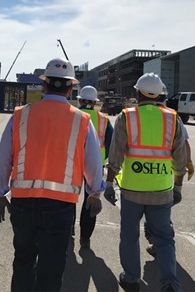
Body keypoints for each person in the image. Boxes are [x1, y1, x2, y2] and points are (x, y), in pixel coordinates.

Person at [0, 58, 106, 292]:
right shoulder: (82, 120)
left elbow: (3, 157)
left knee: (24, 262)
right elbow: (93, 163)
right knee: (52, 268)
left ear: (44, 85)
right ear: (70, 89)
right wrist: (94, 192)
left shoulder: (20, 115)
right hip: (60, 206)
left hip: (23, 204)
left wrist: (0, 192)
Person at [104, 72, 187, 292]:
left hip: (132, 190)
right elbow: (180, 159)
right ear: (160, 94)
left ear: (138, 93)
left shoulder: (126, 116)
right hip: (161, 189)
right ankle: (170, 283)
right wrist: (177, 187)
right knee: (164, 238)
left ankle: (131, 279)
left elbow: (116, 155)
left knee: (130, 235)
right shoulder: (173, 118)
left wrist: (109, 184)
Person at [145, 93, 194, 258]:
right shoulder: (174, 118)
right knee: (162, 215)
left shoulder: (140, 115)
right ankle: (161, 244)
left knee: (156, 216)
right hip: (164, 176)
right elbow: (184, 142)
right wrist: (188, 162)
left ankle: (159, 243)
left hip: (143, 176)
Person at [73, 85, 113, 248]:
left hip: (73, 163)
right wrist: (103, 158)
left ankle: (68, 230)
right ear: (95, 102)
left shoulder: (73, 116)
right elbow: (110, 142)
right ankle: (85, 237)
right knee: (91, 199)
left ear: (80, 100)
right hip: (95, 165)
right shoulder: (103, 119)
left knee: (69, 198)